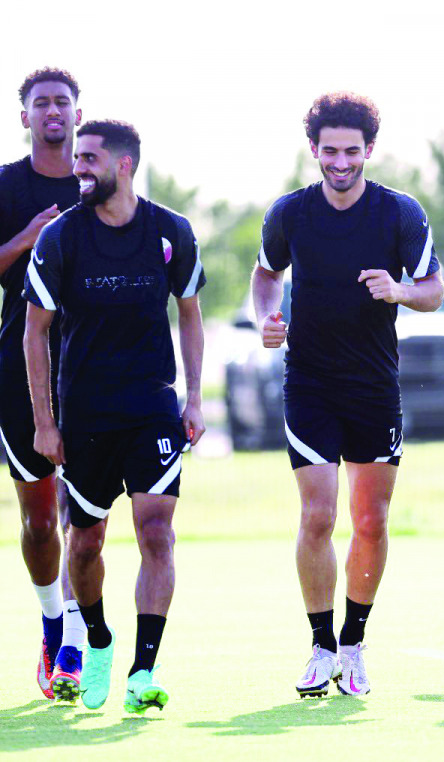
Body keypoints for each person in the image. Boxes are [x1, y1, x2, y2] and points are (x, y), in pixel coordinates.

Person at [252, 92, 444, 698]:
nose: (340, 162)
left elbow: (436, 290)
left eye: (351, 151)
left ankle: (355, 645)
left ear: (368, 151)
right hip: (309, 382)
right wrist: (267, 317)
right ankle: (320, 646)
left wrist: (399, 290)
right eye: (329, 151)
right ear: (314, 150)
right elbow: (265, 275)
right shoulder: (290, 213)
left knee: (371, 518)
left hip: (373, 385)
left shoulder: (399, 214)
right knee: (318, 515)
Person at [24, 119, 206, 713]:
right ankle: (98, 641)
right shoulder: (62, 237)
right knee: (85, 544)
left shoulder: (170, 230)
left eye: (90, 158)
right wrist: (44, 423)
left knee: (156, 531)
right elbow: (35, 332)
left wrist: (195, 398)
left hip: (152, 406)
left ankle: (142, 670)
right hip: (84, 414)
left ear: (124, 165)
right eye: (77, 157)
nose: (79, 167)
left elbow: (191, 313)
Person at [0, 67, 85, 701]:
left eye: (62, 102)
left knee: (84, 512)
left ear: (77, 114)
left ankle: (77, 641)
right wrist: (27, 239)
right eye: (41, 103)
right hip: (19, 362)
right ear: (24, 116)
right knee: (37, 518)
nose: (52, 111)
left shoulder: (98, 180)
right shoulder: (6, 185)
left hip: (92, 361)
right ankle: (52, 622)